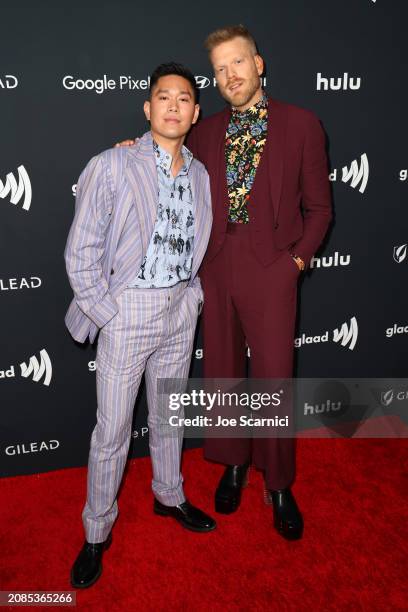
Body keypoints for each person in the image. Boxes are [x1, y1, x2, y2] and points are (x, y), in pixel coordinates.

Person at [116, 25, 332, 541]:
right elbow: (161, 146)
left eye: (237, 63)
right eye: (219, 69)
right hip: (214, 264)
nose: (229, 75)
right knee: (224, 372)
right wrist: (130, 149)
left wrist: (296, 262)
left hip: (271, 266)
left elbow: (320, 209)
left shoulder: (302, 124)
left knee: (274, 377)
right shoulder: (206, 130)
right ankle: (233, 464)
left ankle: (278, 483)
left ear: (259, 63)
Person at [65, 62, 215, 589]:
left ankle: (169, 496)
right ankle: (96, 533)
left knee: (168, 416)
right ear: (148, 109)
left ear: (196, 113)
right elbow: (81, 249)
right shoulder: (112, 164)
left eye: (184, 98)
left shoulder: (200, 172)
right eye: (163, 97)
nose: (173, 105)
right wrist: (105, 311)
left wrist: (191, 299)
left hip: (179, 310)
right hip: (126, 311)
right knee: (111, 431)